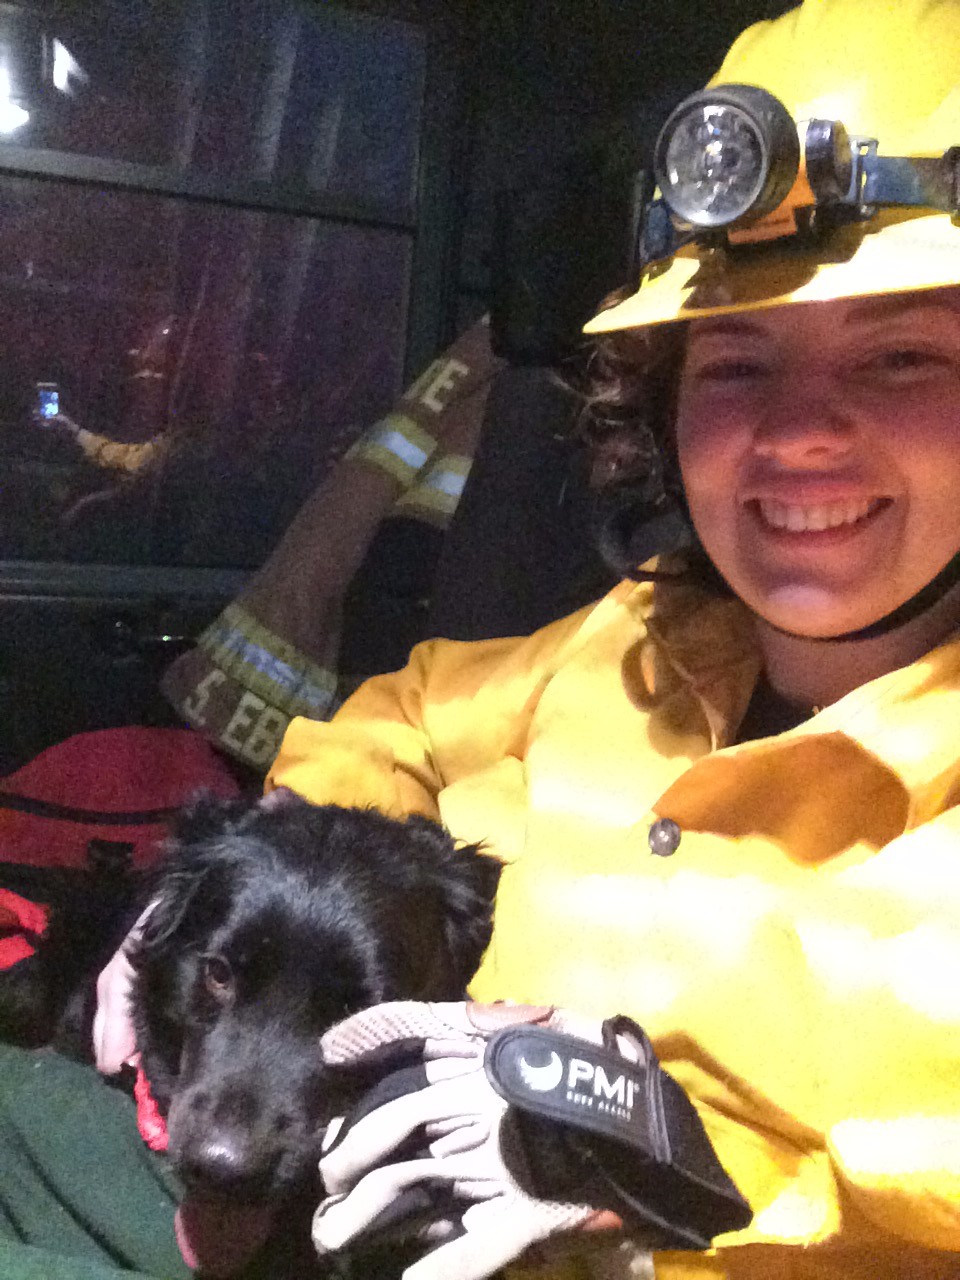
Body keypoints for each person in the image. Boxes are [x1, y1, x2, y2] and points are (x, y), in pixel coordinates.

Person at [3, 1, 959, 1278]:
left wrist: (654, 1157)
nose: (799, 435)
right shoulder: (637, 642)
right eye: (736, 364)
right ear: (664, 402)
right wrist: (232, 888)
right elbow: (391, 719)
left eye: (900, 359)